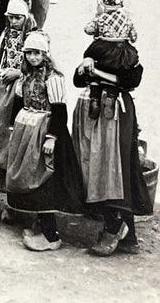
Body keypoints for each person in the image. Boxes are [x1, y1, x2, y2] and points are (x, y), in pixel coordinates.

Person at [6, 31, 84, 251]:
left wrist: (52, 137)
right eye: (29, 53)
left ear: (45, 54)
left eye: (37, 53)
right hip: (26, 132)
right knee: (30, 175)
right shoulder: (25, 77)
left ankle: (51, 236)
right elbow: (18, 104)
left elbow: (60, 111)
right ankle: (40, 224)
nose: (32, 57)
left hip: (46, 131)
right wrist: (14, 129)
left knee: (45, 181)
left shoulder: (53, 78)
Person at [72, 56, 152, 256]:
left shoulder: (128, 59)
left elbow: (129, 80)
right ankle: (127, 236)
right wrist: (84, 67)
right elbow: (77, 80)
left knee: (113, 170)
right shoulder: (97, 54)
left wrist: (97, 74)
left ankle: (114, 227)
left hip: (114, 117)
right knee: (100, 169)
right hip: (95, 116)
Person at [0, 0, 36, 223]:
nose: (14, 21)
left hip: (23, 92)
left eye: (18, 17)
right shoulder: (6, 35)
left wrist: (20, 73)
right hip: (2, 89)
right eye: (11, 17)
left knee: (20, 141)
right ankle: (4, 194)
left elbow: (43, 68)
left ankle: (18, 200)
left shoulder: (34, 37)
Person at [83, 0, 139, 120]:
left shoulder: (101, 18)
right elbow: (134, 37)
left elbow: (87, 29)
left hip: (104, 49)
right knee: (116, 72)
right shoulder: (127, 19)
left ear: (104, 4)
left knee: (94, 62)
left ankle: (95, 98)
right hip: (123, 51)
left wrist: (97, 20)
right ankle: (111, 96)